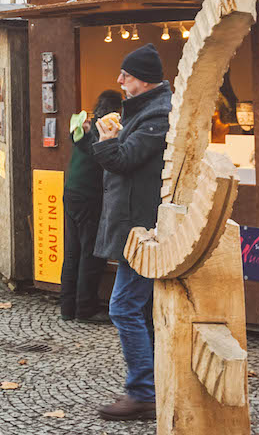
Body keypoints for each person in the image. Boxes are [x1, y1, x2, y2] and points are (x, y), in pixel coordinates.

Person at [84, 43, 171, 422]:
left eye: (127, 76)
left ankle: (144, 393)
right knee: (139, 308)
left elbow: (123, 159)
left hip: (142, 227)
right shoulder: (143, 111)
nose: (119, 81)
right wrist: (104, 134)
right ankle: (152, 385)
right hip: (136, 223)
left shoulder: (158, 115)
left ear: (145, 81)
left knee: (123, 306)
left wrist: (105, 141)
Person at [60, 89, 123, 322]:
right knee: (91, 254)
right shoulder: (104, 131)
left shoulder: (84, 126)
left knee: (73, 252)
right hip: (89, 197)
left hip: (71, 193)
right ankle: (86, 308)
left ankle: (68, 307)